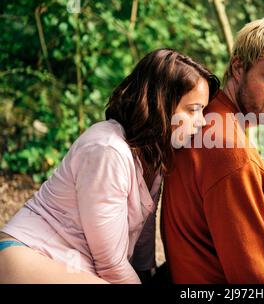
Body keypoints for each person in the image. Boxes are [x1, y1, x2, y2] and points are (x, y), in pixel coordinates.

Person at [0, 48, 219, 284]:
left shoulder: (153, 154)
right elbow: (110, 264)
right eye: (193, 110)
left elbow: (144, 233)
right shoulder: (108, 150)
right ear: (161, 104)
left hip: (75, 267)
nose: (201, 122)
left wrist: (148, 274)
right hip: (28, 253)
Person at [161, 16, 264, 283]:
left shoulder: (204, 112)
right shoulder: (234, 157)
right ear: (238, 67)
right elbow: (257, 281)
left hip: (193, 267)